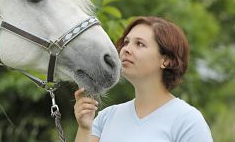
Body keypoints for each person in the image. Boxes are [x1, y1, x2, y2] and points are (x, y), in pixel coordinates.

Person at [74, 16, 213, 142]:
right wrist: (85, 128)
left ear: (166, 60)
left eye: (140, 44)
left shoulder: (187, 121)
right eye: (126, 42)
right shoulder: (107, 117)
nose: (126, 49)